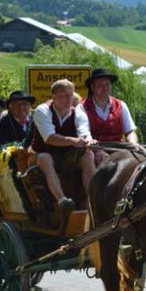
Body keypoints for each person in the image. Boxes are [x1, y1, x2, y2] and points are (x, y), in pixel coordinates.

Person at [28, 79, 96, 213]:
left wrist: (88, 140)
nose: (69, 99)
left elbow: (84, 132)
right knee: (45, 158)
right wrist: (73, 141)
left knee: (88, 154)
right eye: (64, 95)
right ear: (53, 96)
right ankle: (62, 200)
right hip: (38, 157)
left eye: (71, 95)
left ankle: (92, 198)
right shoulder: (42, 111)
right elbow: (49, 138)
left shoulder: (78, 112)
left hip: (65, 157)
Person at [81, 68, 138, 164]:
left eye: (107, 84)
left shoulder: (121, 105)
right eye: (100, 85)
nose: (105, 88)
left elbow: (129, 131)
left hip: (118, 150)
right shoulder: (82, 107)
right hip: (95, 151)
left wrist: (133, 144)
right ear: (92, 87)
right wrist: (97, 149)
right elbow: (84, 134)